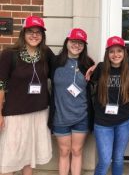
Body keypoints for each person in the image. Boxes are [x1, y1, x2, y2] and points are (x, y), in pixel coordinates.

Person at [0, 16, 54, 175]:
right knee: (9, 160)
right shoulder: (9, 54)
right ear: (23, 33)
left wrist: (89, 65)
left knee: (29, 158)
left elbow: (62, 65)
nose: (34, 35)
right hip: (15, 114)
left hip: (38, 112)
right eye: (30, 31)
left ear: (43, 36)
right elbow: (1, 84)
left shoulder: (46, 53)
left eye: (38, 32)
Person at [48, 28, 94, 175]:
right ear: (67, 42)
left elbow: (106, 71)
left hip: (81, 115)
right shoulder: (55, 62)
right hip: (60, 116)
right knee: (64, 151)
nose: (77, 45)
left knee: (76, 150)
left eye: (80, 43)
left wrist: (97, 66)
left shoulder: (88, 63)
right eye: (73, 41)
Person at [91, 36, 129, 175]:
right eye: (112, 51)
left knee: (118, 158)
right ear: (107, 53)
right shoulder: (101, 68)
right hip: (103, 123)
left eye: (119, 51)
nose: (116, 55)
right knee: (104, 160)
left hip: (124, 121)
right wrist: (91, 67)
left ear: (124, 53)